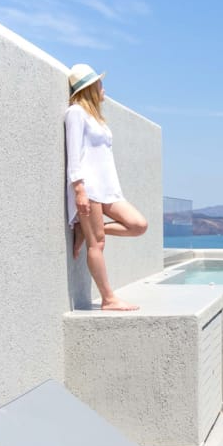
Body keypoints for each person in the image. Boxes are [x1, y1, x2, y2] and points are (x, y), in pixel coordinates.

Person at [65, 63, 147, 310]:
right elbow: (74, 154)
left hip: (109, 188)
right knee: (97, 243)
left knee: (138, 225)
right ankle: (108, 299)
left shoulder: (97, 119)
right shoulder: (75, 113)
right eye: (100, 83)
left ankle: (86, 229)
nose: (104, 88)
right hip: (88, 189)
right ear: (90, 87)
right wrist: (79, 189)